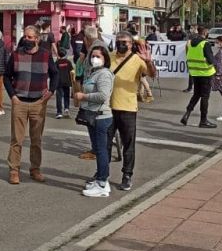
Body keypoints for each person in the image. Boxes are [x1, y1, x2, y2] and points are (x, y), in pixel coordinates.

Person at [4, 25, 57, 184]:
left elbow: (55, 74)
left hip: (38, 103)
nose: (27, 39)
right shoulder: (16, 55)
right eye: (25, 36)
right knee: (17, 139)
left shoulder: (46, 55)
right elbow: (6, 77)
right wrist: (12, 96)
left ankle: (35, 169)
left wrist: (51, 91)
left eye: (30, 37)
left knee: (36, 140)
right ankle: (14, 170)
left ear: (37, 39)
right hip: (19, 101)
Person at [107, 31, 156, 191]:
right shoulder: (109, 56)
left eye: (124, 42)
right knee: (104, 144)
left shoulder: (137, 59)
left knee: (128, 144)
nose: (121, 44)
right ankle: (102, 173)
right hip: (108, 107)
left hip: (127, 108)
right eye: (118, 41)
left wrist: (148, 62)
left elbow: (152, 74)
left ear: (130, 44)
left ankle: (127, 175)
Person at [74, 46, 115, 197]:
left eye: (98, 56)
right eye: (93, 56)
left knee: (101, 150)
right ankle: (101, 178)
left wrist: (83, 97)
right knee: (98, 150)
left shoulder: (104, 74)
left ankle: (102, 183)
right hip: (92, 116)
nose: (94, 59)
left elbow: (103, 96)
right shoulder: (93, 72)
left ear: (105, 58)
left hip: (100, 116)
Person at [181, 26, 217, 128]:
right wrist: (215, 64)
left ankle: (187, 114)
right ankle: (203, 120)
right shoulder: (205, 44)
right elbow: (210, 60)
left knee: (196, 94)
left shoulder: (191, 43)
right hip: (206, 74)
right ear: (205, 32)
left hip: (195, 73)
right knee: (205, 97)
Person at [55, 48, 74, 119]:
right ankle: (66, 108)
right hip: (67, 81)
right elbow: (72, 71)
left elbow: (54, 72)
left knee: (59, 97)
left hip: (59, 82)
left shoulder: (57, 63)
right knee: (66, 96)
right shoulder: (68, 62)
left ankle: (59, 112)